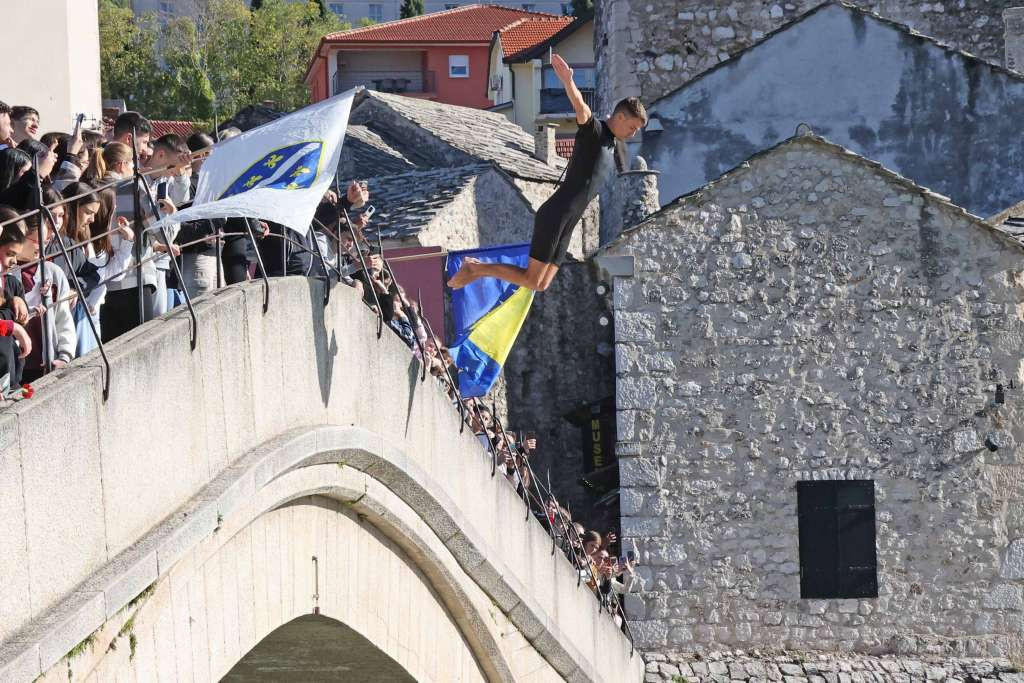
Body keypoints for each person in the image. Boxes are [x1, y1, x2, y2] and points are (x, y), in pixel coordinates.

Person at [447, 54, 646, 292]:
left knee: (539, 284)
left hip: (569, 221)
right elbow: (581, 108)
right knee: (533, 279)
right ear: (620, 116)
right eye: (632, 127)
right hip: (556, 213)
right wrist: (567, 81)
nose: (633, 134)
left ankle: (477, 269)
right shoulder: (595, 131)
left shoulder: (612, 144)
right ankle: (476, 269)